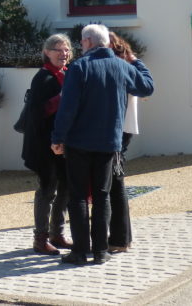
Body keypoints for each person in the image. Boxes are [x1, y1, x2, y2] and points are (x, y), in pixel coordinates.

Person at [52, 24, 154, 265]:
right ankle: (101, 251)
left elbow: (68, 108)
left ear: (87, 42)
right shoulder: (121, 66)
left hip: (79, 142)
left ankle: (79, 252)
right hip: (109, 142)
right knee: (102, 195)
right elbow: (147, 86)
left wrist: (57, 138)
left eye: (81, 42)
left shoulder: (79, 67)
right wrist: (136, 61)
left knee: (77, 197)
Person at [20, 34, 73, 255]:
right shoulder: (43, 78)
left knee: (66, 187)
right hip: (44, 145)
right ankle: (40, 238)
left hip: (63, 143)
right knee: (46, 189)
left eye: (66, 50)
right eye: (58, 50)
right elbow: (37, 113)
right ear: (47, 52)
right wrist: (63, 99)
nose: (63, 54)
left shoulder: (67, 74)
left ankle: (57, 233)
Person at [107, 32, 138, 253]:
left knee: (115, 183)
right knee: (114, 181)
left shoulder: (119, 65)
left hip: (118, 130)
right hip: (123, 129)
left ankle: (120, 239)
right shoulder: (128, 63)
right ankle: (121, 238)